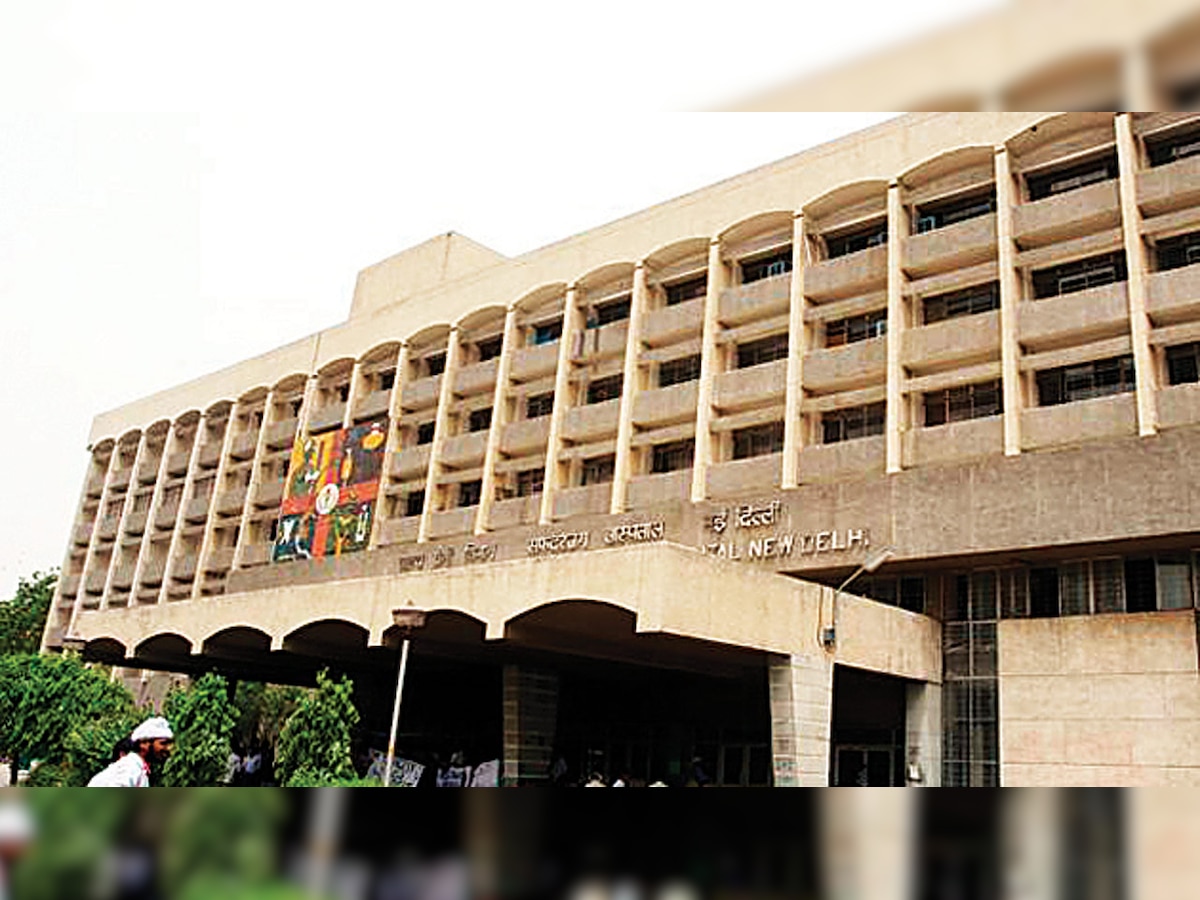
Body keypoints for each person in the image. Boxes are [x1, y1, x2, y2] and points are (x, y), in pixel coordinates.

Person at [88, 717, 173, 787]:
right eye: (163, 743)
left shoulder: (139, 769)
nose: (169, 748)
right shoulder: (130, 767)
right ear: (143, 744)